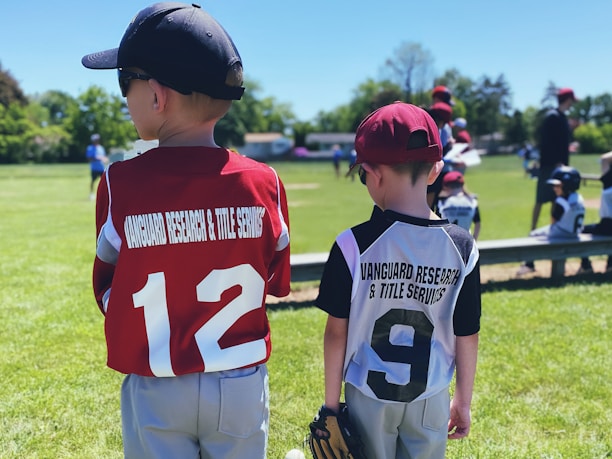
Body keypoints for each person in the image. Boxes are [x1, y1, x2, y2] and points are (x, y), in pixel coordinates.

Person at [81, 3, 291, 458]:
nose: (123, 96)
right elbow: (274, 281)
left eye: (125, 83)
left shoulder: (120, 183)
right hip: (239, 383)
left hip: (158, 384)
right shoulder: (265, 183)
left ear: (157, 96)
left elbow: (108, 288)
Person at [315, 102, 481, 459]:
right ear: (436, 170)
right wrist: (463, 401)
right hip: (431, 394)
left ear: (373, 174)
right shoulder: (463, 247)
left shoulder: (351, 244)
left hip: (368, 396)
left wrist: (331, 407)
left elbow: (336, 332)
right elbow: (466, 332)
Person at [517, 166, 585, 276]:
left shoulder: (561, 200)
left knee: (533, 235)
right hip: (575, 233)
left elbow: (553, 221)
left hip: (562, 233)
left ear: (567, 185)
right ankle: (586, 264)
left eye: (557, 185)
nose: (554, 188)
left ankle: (529, 265)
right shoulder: (578, 198)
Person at [530, 87, 578, 231]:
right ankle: (532, 230)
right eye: (571, 100)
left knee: (556, 199)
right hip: (549, 166)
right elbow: (547, 142)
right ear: (567, 99)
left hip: (561, 167)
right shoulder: (552, 116)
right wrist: (555, 160)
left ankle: (553, 228)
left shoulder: (563, 118)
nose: (572, 104)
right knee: (540, 199)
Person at [578, 151, 612, 273]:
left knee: (579, 230)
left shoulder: (608, 183)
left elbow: (604, 158)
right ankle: (610, 265)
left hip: (607, 224)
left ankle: (586, 265)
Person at [436, 170, 481, 240]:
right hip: (466, 240)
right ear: (463, 185)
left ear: (445, 187)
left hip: (447, 241)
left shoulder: (442, 203)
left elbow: (437, 224)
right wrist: (474, 241)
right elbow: (477, 224)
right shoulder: (472, 201)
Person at [86, 133, 108, 200]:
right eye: (95, 139)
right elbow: (89, 158)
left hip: (102, 167)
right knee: (93, 181)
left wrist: (105, 159)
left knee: (104, 182)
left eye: (97, 139)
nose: (97, 141)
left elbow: (104, 156)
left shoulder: (101, 148)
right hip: (94, 168)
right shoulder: (90, 148)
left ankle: (105, 195)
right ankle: (91, 194)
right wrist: (97, 158)